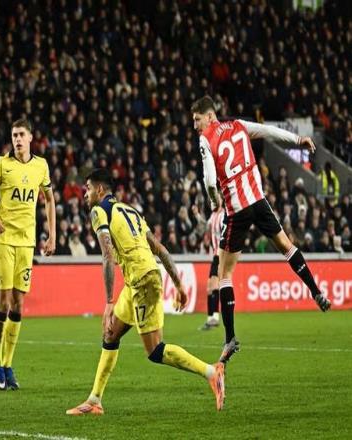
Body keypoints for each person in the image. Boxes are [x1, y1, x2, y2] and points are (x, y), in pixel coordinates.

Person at [66, 169, 225, 415]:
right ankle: (95, 400)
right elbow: (160, 248)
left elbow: (107, 256)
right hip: (139, 280)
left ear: (99, 190)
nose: (84, 194)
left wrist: (108, 301)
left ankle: (212, 372)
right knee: (110, 334)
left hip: (143, 281)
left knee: (155, 350)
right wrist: (178, 284)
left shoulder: (98, 212)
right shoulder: (131, 211)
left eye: (87, 189)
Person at [191, 95, 331, 364]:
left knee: (224, 273)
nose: (195, 125)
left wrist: (213, 200)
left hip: (237, 209)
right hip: (259, 201)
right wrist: (298, 140)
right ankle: (315, 290)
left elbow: (209, 179)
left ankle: (230, 338)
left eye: (197, 120)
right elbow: (269, 131)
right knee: (287, 246)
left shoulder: (205, 139)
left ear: (209, 116)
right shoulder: (239, 125)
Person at [0, 118, 56, 391]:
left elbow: (49, 199)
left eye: (22, 134)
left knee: (19, 304)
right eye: (14, 135)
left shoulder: (41, 166)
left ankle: (8, 365)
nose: (18, 139)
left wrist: (52, 235)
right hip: (3, 240)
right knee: (4, 300)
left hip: (26, 242)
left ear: (31, 137)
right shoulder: (2, 165)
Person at [199, 206, 224, 331]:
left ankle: (215, 317)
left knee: (214, 285)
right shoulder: (213, 215)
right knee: (209, 288)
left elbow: (226, 233)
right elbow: (205, 226)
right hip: (215, 255)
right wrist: (197, 215)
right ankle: (210, 319)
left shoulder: (222, 215)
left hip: (220, 255)